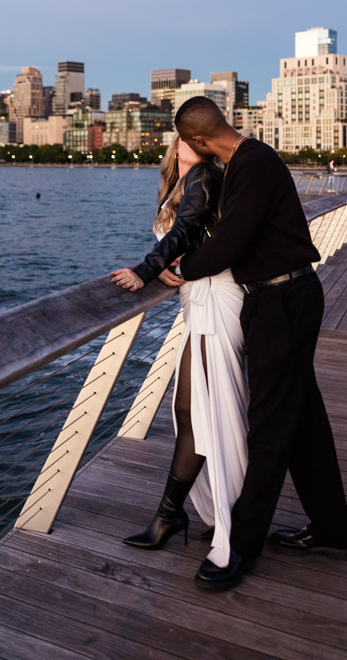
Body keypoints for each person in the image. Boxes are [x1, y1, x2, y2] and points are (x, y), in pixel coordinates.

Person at [173, 97, 347, 591]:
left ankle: (239, 548)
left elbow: (231, 241)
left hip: (281, 300)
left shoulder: (250, 165)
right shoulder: (255, 158)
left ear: (198, 141)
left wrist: (179, 272)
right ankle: (333, 531)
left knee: (270, 427)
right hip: (281, 296)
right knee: (304, 419)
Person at [111, 134, 248, 570]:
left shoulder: (206, 176)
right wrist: (172, 267)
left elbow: (188, 231)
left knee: (205, 409)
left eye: (196, 137)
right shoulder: (183, 182)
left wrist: (146, 270)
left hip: (216, 297)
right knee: (190, 409)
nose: (189, 142)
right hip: (196, 301)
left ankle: (180, 516)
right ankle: (187, 511)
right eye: (183, 137)